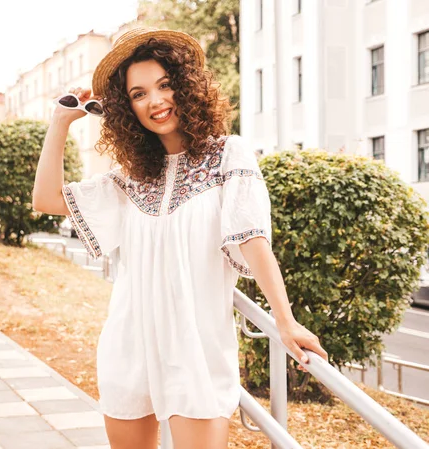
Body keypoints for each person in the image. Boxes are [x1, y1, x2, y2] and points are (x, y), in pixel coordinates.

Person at [32, 26, 328, 449]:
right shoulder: (129, 179)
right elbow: (46, 199)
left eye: (164, 85)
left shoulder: (228, 154)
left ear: (186, 87)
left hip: (197, 350)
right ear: (126, 108)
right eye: (138, 94)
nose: (155, 101)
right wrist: (60, 120)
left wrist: (285, 320)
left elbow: (251, 237)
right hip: (129, 344)